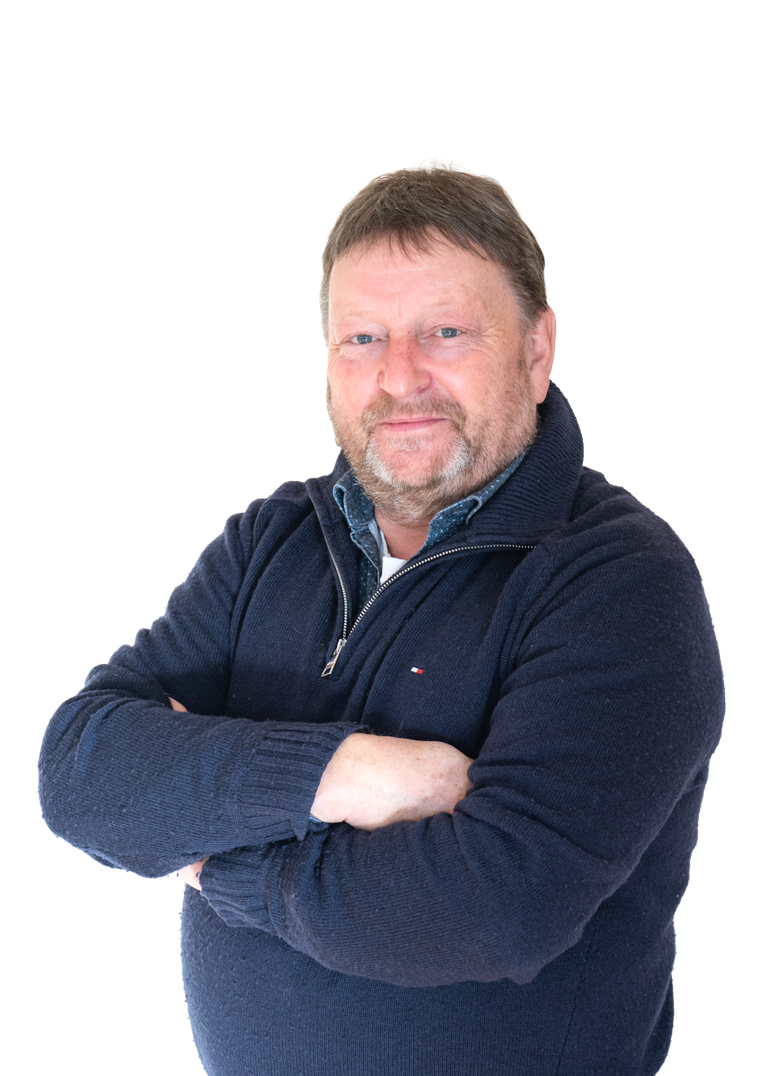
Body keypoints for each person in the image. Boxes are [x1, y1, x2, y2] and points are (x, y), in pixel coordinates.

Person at [37, 158, 725, 1076]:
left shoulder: (620, 581)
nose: (400, 376)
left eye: (445, 331)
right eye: (363, 337)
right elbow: (81, 770)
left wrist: (211, 860)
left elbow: (493, 908)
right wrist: (344, 774)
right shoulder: (271, 538)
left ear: (537, 349)